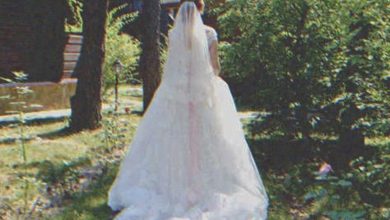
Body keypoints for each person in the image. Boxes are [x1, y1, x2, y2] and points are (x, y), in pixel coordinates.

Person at [108, 1, 268, 219]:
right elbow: (214, 67)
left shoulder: (176, 35)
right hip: (203, 95)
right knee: (211, 138)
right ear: (200, 9)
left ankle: (177, 184)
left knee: (176, 138)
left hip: (178, 93)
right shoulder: (210, 33)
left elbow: (174, 66)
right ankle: (204, 184)